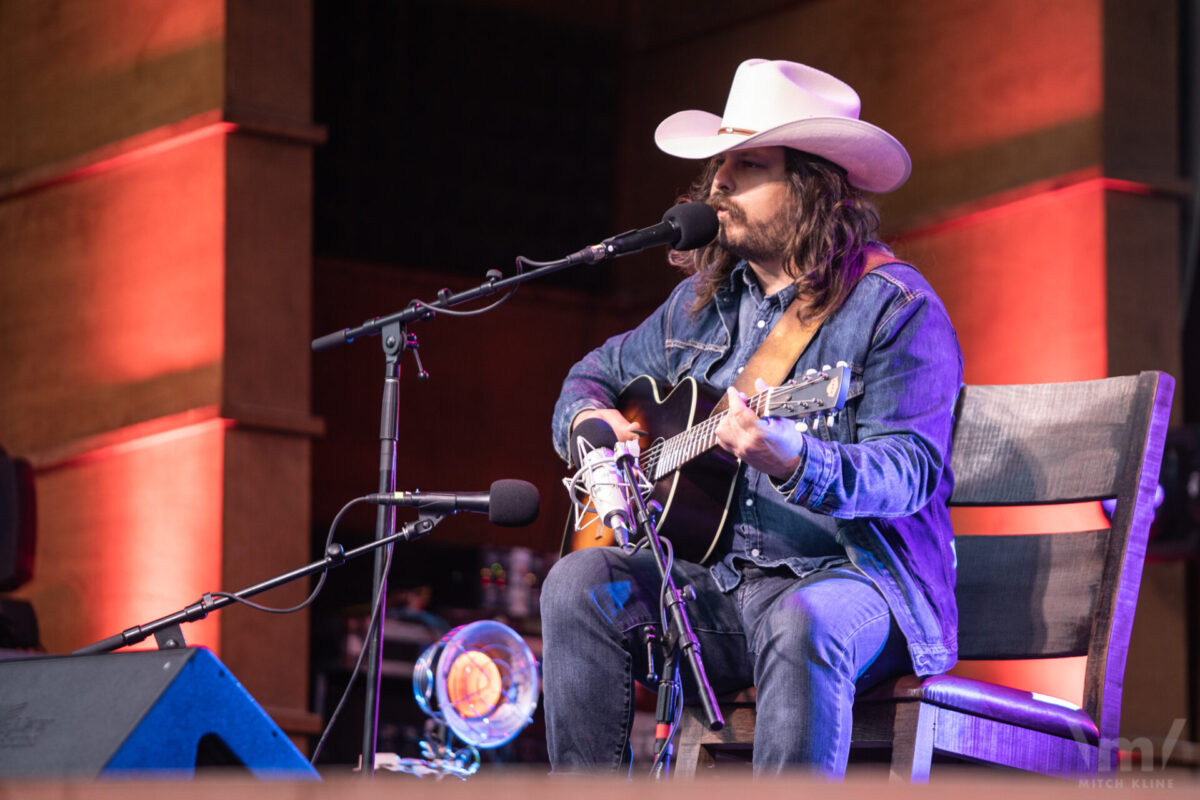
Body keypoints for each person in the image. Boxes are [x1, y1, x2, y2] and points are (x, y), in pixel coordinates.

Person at [540, 58, 962, 777]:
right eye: (719, 164)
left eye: (748, 164)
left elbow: (912, 470)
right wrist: (590, 427)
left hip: (856, 590)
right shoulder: (696, 306)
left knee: (804, 622)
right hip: (719, 596)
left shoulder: (894, 306)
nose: (718, 184)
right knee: (581, 587)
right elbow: (590, 377)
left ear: (812, 188)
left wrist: (796, 459)